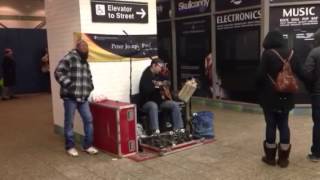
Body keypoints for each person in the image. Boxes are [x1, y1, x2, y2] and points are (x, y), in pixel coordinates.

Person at [256, 30, 299, 168]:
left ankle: (270, 158)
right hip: (287, 97)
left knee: (271, 125)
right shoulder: (292, 53)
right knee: (284, 125)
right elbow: (300, 71)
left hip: (269, 97)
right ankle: (283, 160)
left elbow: (260, 76)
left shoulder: (267, 54)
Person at [54, 40, 98, 157]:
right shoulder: (69, 58)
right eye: (83, 46)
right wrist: (69, 85)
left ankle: (87, 146)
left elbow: (89, 76)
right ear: (78, 47)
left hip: (83, 97)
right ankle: (70, 147)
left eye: (87, 46)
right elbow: (58, 72)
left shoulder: (85, 61)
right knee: (69, 122)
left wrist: (90, 86)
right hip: (70, 98)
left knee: (88, 120)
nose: (86, 48)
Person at [139, 58, 184, 135]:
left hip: (160, 101)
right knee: (153, 106)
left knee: (174, 104)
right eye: (160, 66)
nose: (161, 68)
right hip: (147, 102)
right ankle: (155, 131)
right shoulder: (146, 75)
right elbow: (146, 91)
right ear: (153, 65)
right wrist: (156, 86)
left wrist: (166, 82)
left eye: (162, 66)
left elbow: (167, 82)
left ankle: (178, 129)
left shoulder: (159, 74)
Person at [301, 28, 320, 162]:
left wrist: (311, 89)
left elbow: (307, 74)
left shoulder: (315, 52)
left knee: (318, 123)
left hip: (318, 94)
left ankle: (316, 153)